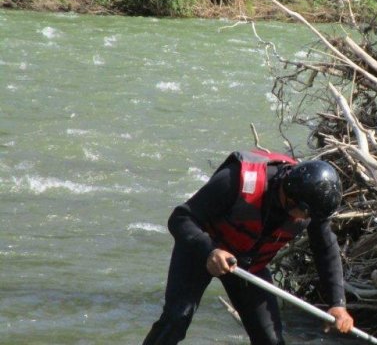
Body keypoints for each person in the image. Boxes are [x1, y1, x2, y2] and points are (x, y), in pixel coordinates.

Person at [143, 148, 354, 345]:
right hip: (203, 249)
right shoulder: (235, 179)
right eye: (306, 215)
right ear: (290, 199)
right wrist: (210, 250)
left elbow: (326, 249)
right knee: (176, 321)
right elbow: (180, 218)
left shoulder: (312, 204)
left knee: (270, 340)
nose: (308, 220)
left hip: (247, 263)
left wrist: (338, 304)